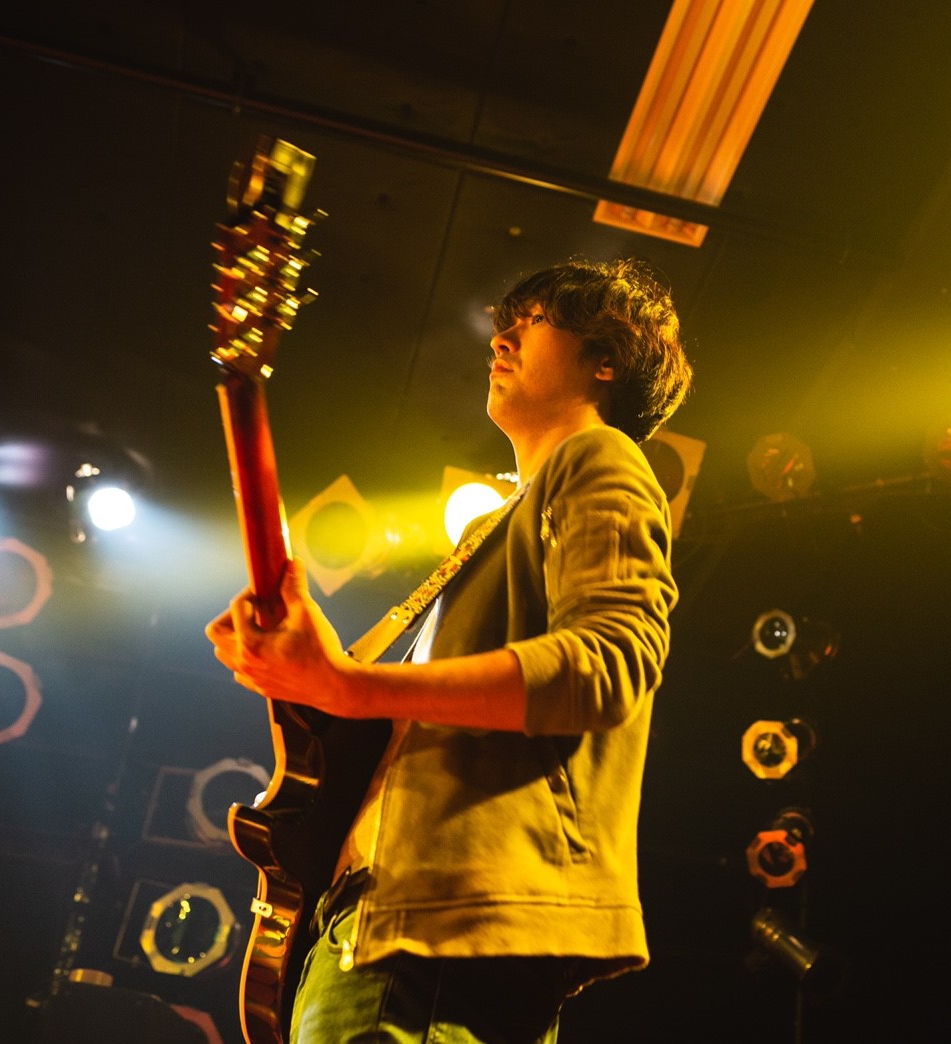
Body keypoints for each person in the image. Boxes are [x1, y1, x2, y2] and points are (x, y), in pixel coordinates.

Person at [207, 256, 693, 1042]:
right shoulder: (495, 526)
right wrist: (312, 669)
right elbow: (390, 729)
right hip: (381, 921)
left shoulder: (599, 457)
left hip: (438, 933)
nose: (501, 337)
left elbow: (604, 670)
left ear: (605, 361)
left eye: (535, 321)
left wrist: (346, 687)